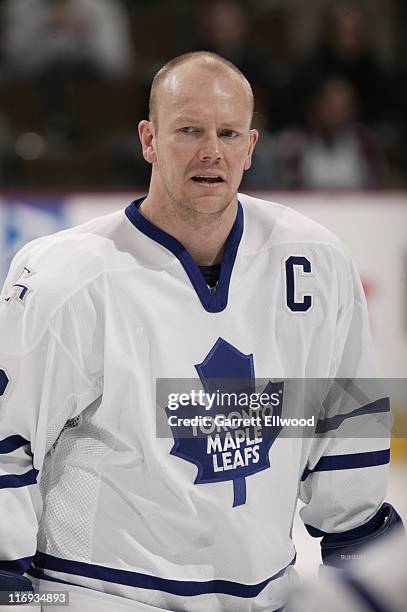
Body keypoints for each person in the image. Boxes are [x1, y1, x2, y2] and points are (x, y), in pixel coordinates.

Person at [0, 51, 402, 612]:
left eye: (228, 132)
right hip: (105, 597)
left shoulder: (316, 261)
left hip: (266, 598)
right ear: (149, 139)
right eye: (188, 130)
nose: (211, 150)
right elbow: (7, 445)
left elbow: (347, 424)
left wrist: (357, 550)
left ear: (251, 147)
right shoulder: (66, 277)